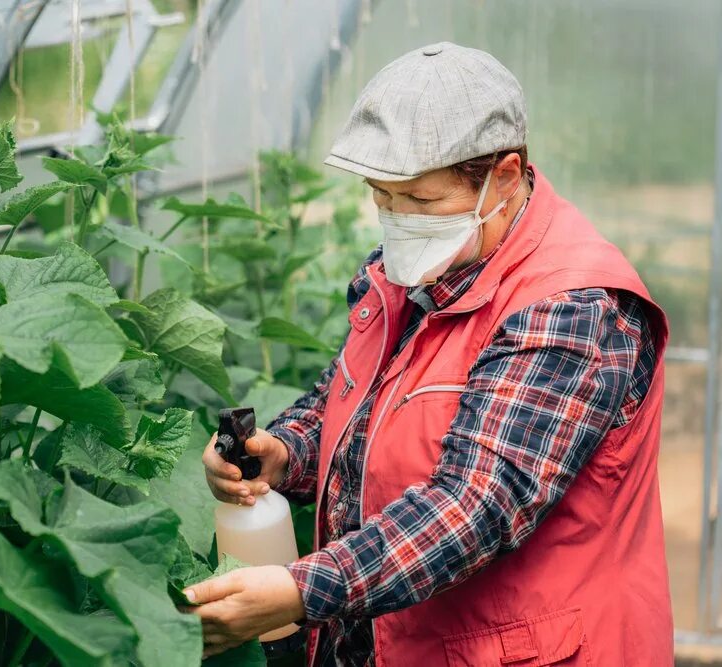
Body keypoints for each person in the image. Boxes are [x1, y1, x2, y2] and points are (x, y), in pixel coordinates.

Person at [188, 42, 673, 666]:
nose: (396, 220)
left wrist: (299, 589)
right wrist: (286, 451)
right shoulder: (418, 268)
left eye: (419, 202)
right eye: (381, 197)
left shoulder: (571, 305)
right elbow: (356, 398)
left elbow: (476, 503)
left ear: (503, 176)